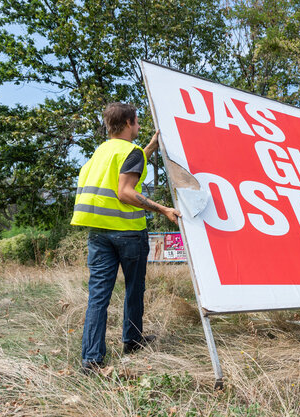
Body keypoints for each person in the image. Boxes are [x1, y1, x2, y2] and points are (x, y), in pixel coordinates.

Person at [71, 102, 181, 374]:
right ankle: (131, 341)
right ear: (130, 122)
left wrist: (150, 148)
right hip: (128, 233)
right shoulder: (130, 152)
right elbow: (125, 191)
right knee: (134, 289)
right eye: (138, 121)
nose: (140, 126)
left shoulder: (101, 152)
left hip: (98, 233)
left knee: (98, 297)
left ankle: (91, 360)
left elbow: (124, 168)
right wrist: (163, 209)